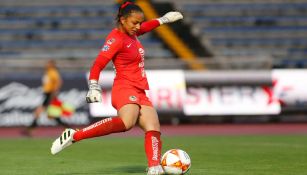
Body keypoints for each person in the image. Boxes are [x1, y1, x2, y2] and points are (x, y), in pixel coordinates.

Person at [50, 1, 183, 175]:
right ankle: (75, 135)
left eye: (139, 22)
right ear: (122, 20)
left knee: (153, 127)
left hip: (139, 89)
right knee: (127, 123)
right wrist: (94, 86)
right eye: (134, 22)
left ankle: (154, 167)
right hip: (124, 87)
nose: (138, 26)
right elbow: (98, 63)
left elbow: (146, 27)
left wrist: (163, 19)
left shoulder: (132, 33)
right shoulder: (116, 39)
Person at [23, 60, 69, 136]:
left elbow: (58, 82)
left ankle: (30, 129)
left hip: (50, 94)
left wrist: (54, 93)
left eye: (48, 63)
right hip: (47, 94)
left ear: (52, 65)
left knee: (38, 112)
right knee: (52, 114)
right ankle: (67, 128)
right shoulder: (48, 72)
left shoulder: (53, 72)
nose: (46, 65)